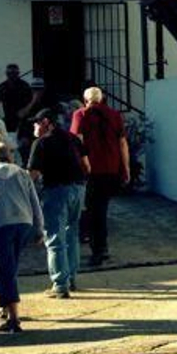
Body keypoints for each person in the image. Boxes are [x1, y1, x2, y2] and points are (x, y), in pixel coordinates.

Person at [0, 143, 43, 333]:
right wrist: (39, 229)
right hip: (23, 224)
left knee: (3, 270)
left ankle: (14, 317)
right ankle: (6, 307)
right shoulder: (22, 173)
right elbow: (35, 202)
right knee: (11, 267)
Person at [27, 108, 87, 298]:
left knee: (54, 238)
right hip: (78, 189)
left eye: (36, 122)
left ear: (46, 122)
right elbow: (88, 166)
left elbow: (32, 176)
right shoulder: (73, 138)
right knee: (72, 235)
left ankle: (60, 285)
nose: (34, 126)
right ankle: (71, 279)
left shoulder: (41, 143)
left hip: (55, 191)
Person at [71, 86, 130, 267]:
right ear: (102, 98)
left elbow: (76, 141)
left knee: (91, 210)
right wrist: (126, 167)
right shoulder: (114, 115)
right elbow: (122, 143)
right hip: (111, 168)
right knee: (101, 209)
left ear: (85, 99)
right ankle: (101, 248)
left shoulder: (80, 114)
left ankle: (97, 250)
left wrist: (79, 165)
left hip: (90, 170)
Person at [0, 63, 34, 134]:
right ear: (6, 74)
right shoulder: (1, 88)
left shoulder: (25, 86)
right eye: (10, 73)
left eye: (14, 73)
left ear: (18, 73)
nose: (12, 75)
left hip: (23, 122)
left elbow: (31, 104)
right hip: (8, 121)